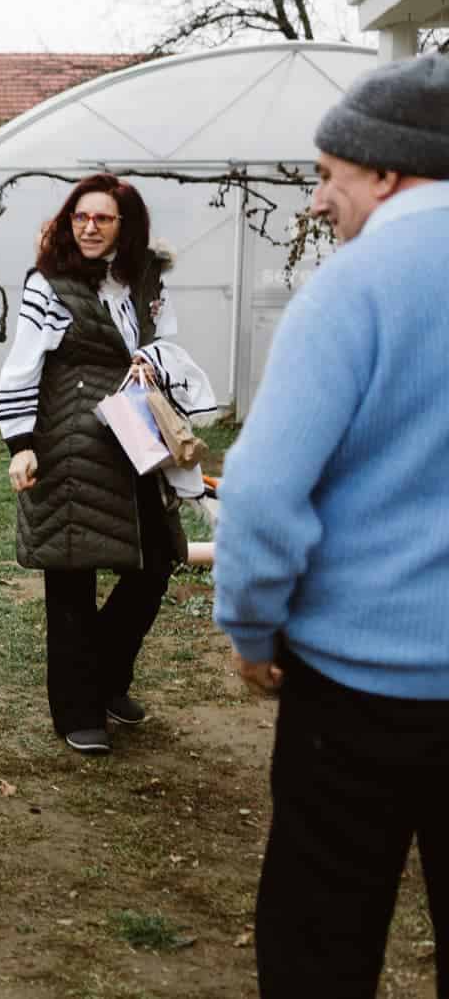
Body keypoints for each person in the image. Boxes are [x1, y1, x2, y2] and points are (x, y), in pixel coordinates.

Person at [213, 53, 449, 999]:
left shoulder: (352, 289)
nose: (318, 201)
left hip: (360, 692)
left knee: (323, 933)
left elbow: (265, 495)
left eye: (327, 175)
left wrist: (253, 629)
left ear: (387, 170)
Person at [0, 174, 187, 755]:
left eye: (103, 218)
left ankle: (105, 676)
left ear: (125, 226)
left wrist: (155, 360)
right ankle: (78, 708)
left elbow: (168, 339)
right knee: (72, 575)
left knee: (156, 561)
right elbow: (21, 365)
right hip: (70, 440)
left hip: (137, 436)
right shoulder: (48, 284)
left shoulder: (145, 280)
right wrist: (21, 443)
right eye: (81, 216)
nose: (89, 227)